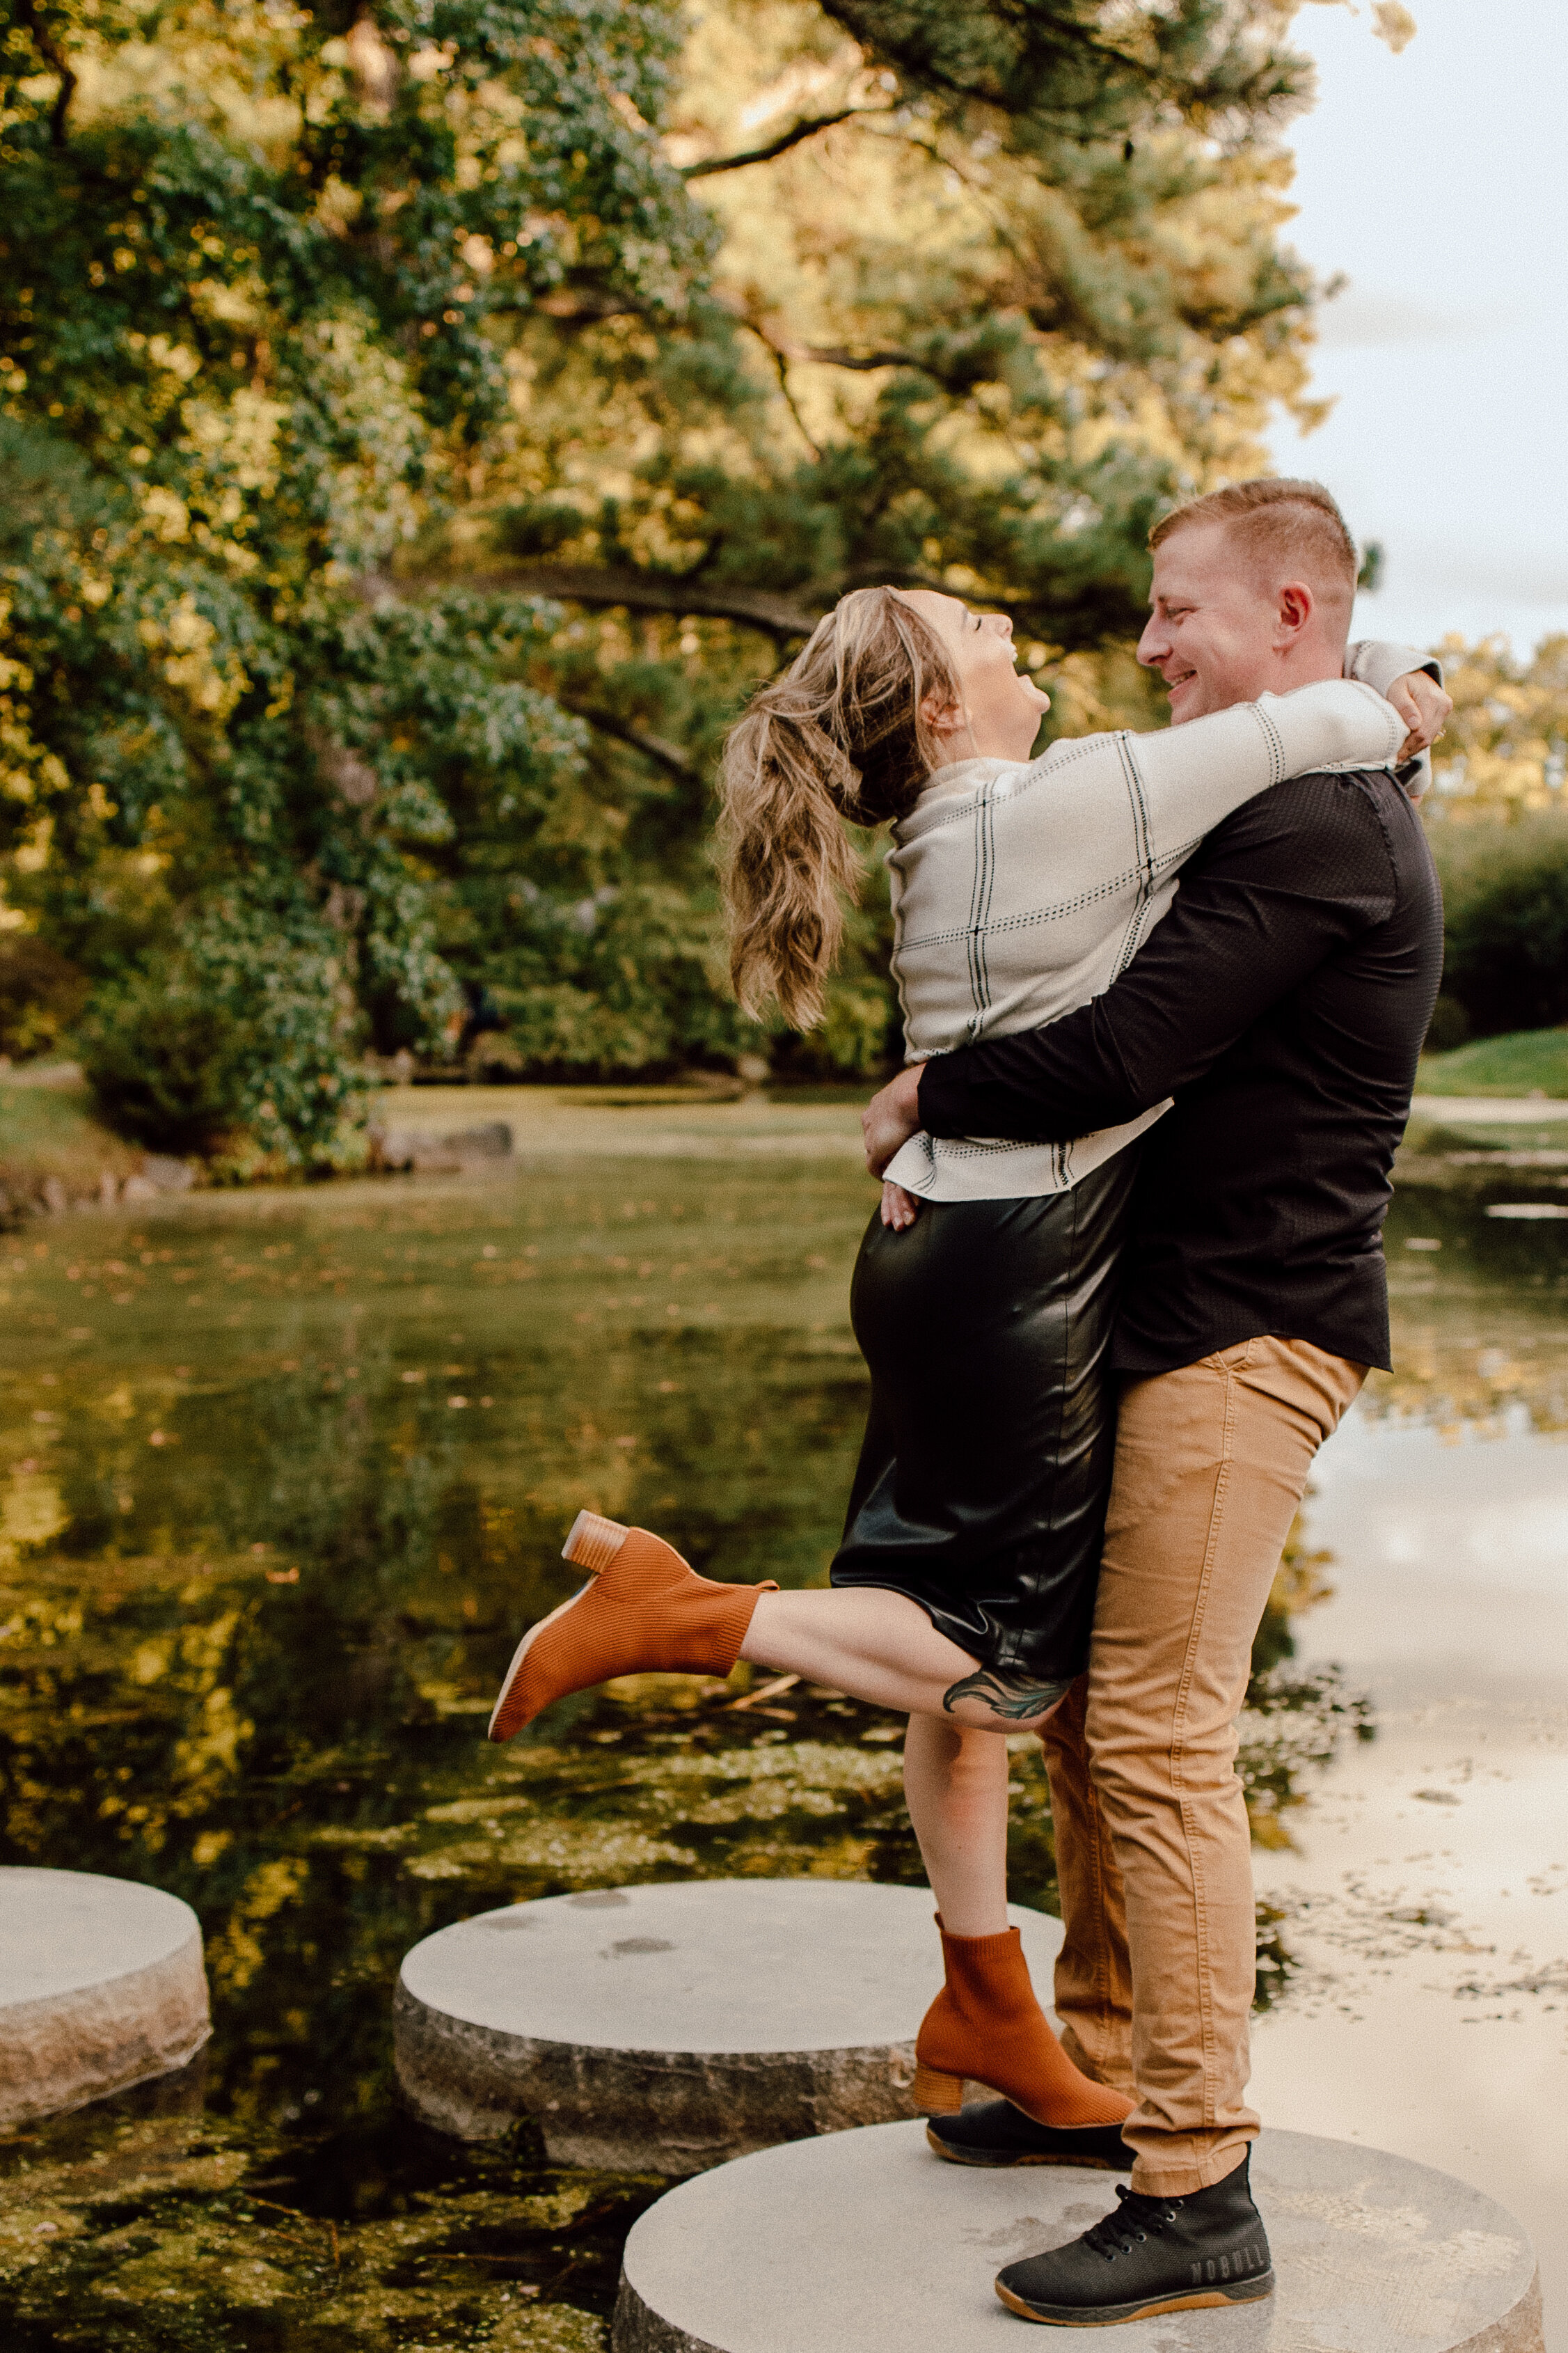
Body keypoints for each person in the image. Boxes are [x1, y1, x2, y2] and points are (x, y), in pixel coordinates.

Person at [485, 553, 1446, 2194]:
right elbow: (1330, 725)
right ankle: (682, 1610)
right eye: (980, 633)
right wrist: (1412, 698)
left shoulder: (975, 822)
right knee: (985, 1656)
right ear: (936, 707)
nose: (1044, 639)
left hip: (942, 1258)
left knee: (982, 1663)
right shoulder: (1060, 809)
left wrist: (921, 1094)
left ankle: (990, 1997)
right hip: (1019, 1277)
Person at [860, 478, 1448, 2326]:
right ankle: (1096, 2056)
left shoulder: (1324, 823)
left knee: (1161, 1732)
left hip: (1247, 1321)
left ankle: (1193, 2185)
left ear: (1286, 620)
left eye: (1174, 611)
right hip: (1154, 1313)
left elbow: (1121, 1048)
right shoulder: (1281, 780)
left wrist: (922, 1092)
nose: (1141, 643)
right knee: (1082, 1714)